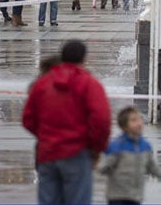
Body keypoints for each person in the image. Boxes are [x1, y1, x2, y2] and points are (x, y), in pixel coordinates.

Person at [22, 40, 112, 204]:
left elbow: (28, 118)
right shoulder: (89, 83)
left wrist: (45, 135)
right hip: (77, 152)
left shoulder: (43, 83)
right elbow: (102, 119)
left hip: (47, 152)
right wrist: (96, 147)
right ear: (84, 58)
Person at [97, 106, 161, 204]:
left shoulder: (145, 146)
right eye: (133, 120)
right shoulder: (117, 146)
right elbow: (103, 167)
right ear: (124, 126)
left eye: (139, 119)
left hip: (136, 197)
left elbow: (152, 168)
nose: (138, 123)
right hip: (117, 197)